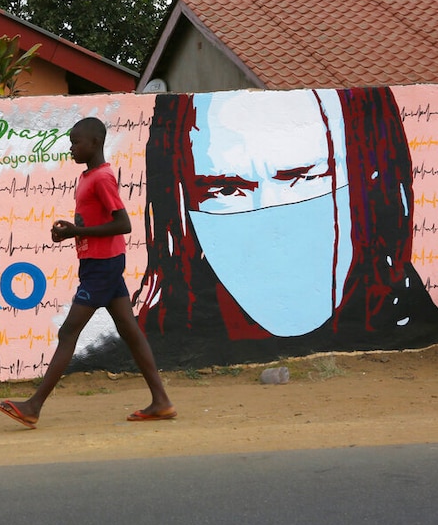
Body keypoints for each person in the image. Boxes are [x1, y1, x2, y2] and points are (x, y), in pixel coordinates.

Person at [135, 87, 438, 368]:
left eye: (307, 177)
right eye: (225, 191)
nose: (271, 229)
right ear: (181, 204)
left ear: (371, 179)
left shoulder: (418, 324)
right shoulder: (151, 339)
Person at [0, 117, 175, 429]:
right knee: (130, 331)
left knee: (68, 332)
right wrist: (73, 231)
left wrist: (77, 230)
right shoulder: (88, 176)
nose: (71, 147)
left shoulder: (103, 178)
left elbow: (123, 224)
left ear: (95, 143)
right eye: (71, 142)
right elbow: (95, 221)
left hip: (102, 267)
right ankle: (161, 401)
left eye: (76, 142)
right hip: (101, 263)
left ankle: (33, 406)